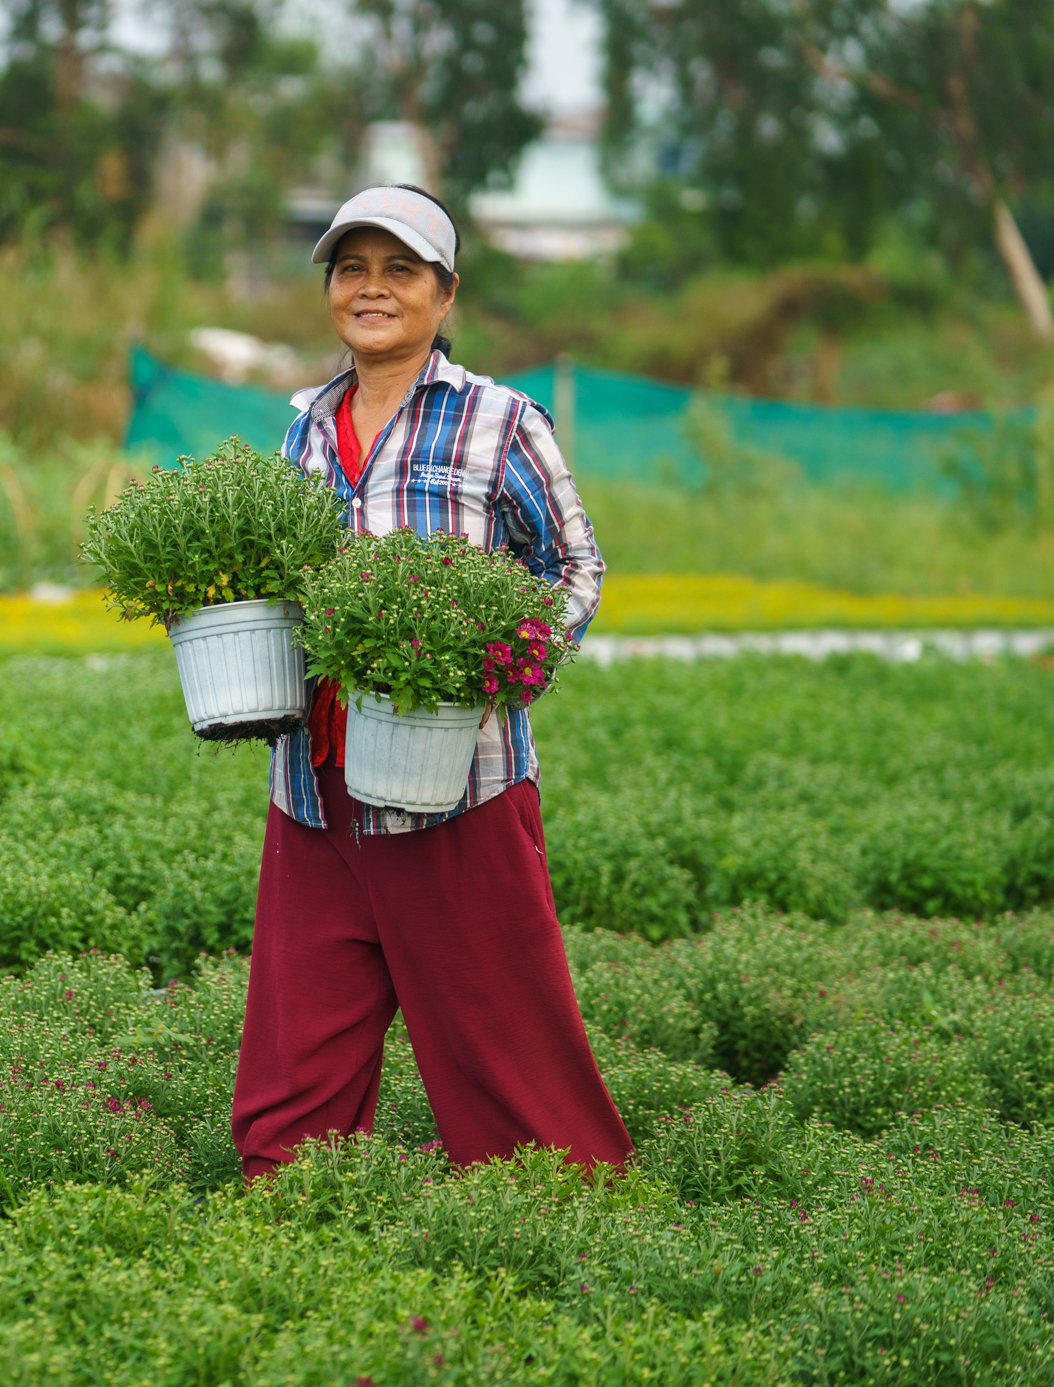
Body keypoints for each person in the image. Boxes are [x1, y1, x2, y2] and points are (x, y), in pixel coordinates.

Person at [229, 184, 633, 1180]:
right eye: (351, 269)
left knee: (505, 1044)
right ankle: (294, 1207)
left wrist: (496, 673)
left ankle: (551, 1204)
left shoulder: (499, 420)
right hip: (314, 783)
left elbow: (574, 565)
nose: (371, 290)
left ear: (444, 294)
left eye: (399, 270)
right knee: (298, 1042)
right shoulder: (304, 428)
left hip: (457, 784)